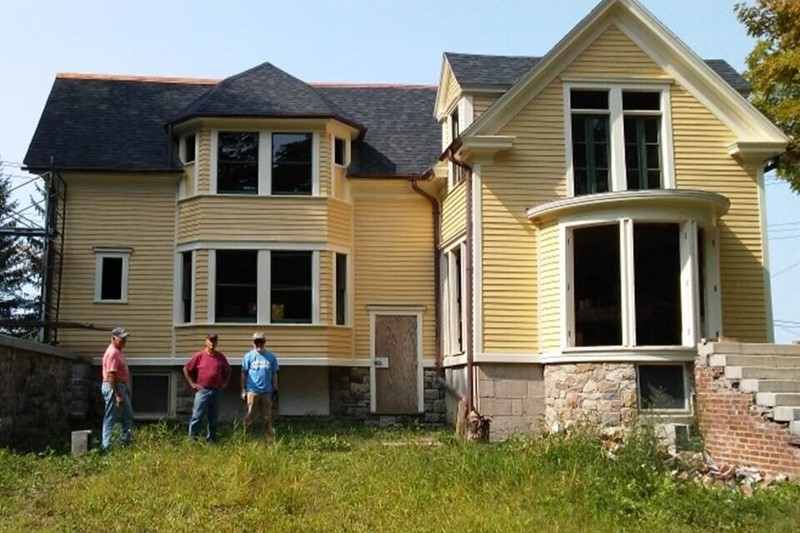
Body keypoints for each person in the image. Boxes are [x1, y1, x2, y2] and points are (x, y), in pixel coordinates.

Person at [183, 332, 231, 442]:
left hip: (216, 391)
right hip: (202, 390)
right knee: (197, 416)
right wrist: (192, 383)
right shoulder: (199, 356)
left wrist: (225, 383)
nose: (212, 343)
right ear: (206, 341)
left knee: (213, 417)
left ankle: (211, 439)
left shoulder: (220, 357)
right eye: (210, 340)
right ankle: (192, 439)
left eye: (214, 341)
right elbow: (186, 369)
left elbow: (228, 370)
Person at [241, 332, 280, 440]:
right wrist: (243, 390)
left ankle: (267, 441)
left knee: (267, 418)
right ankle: (245, 439)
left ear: (264, 342)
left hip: (267, 392)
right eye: (256, 342)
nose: (259, 344)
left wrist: (276, 389)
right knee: (249, 417)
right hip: (252, 391)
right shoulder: (248, 356)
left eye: (261, 341)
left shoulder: (271, 357)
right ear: (253, 343)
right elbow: (244, 374)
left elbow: (274, 374)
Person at [101, 326, 133, 451]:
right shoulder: (113, 353)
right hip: (113, 387)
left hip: (120, 386)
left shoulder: (118, 351)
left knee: (127, 415)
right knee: (110, 417)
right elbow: (111, 375)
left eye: (125, 338)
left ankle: (125, 443)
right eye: (121, 339)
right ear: (113, 338)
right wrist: (118, 394)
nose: (124, 341)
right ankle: (106, 446)